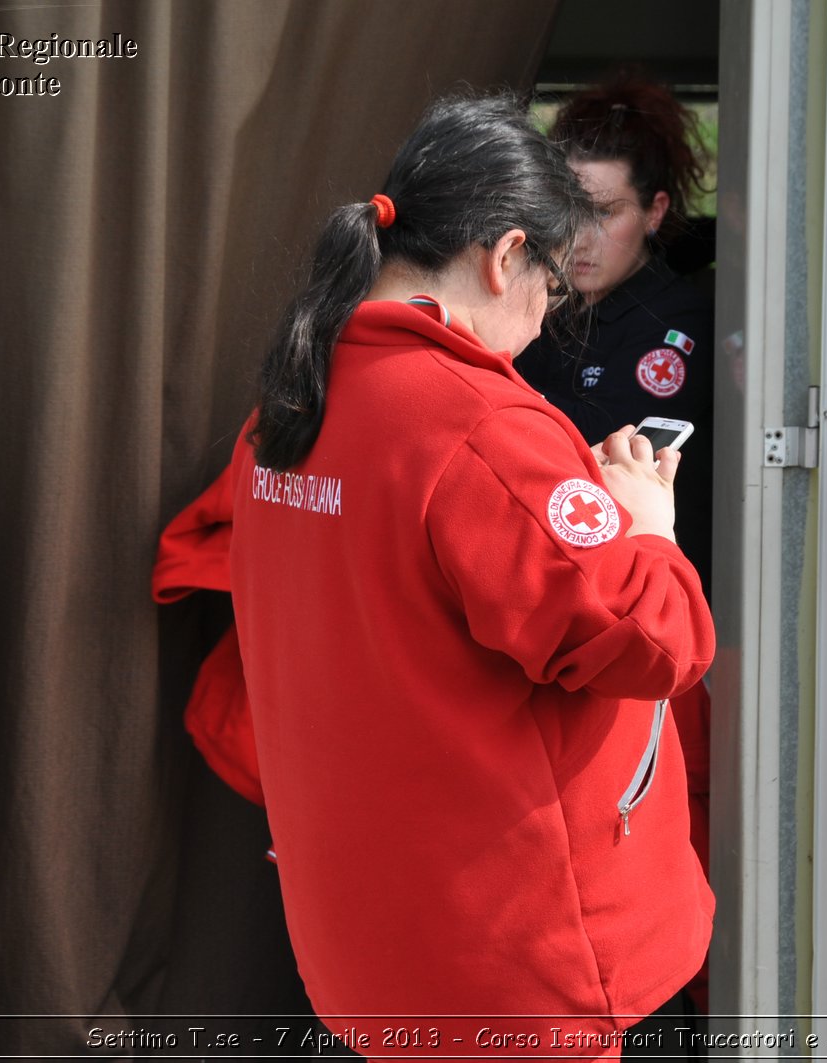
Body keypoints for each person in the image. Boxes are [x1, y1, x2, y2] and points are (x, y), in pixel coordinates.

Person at [158, 93, 715, 1057]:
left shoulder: (288, 407)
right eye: (548, 287)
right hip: (530, 966)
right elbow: (658, 641)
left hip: (371, 937)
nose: (544, 323)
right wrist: (646, 527)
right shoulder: (485, 426)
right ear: (505, 257)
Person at [515, 77, 717, 1022]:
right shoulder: (522, 310)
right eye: (565, 213)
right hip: (533, 640)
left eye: (604, 213)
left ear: (659, 210)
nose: (580, 238)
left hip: (651, 646)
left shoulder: (688, 330)